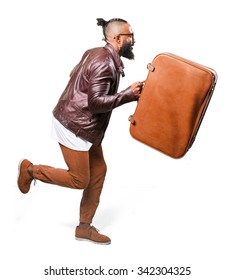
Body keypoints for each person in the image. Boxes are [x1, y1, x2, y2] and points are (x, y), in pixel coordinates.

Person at [17, 18, 144, 245]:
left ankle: (84, 227)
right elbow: (95, 103)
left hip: (85, 123)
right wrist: (128, 95)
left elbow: (76, 77)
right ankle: (30, 171)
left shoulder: (96, 52)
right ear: (116, 39)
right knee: (79, 179)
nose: (133, 40)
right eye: (129, 36)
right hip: (74, 124)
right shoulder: (105, 63)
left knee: (99, 171)